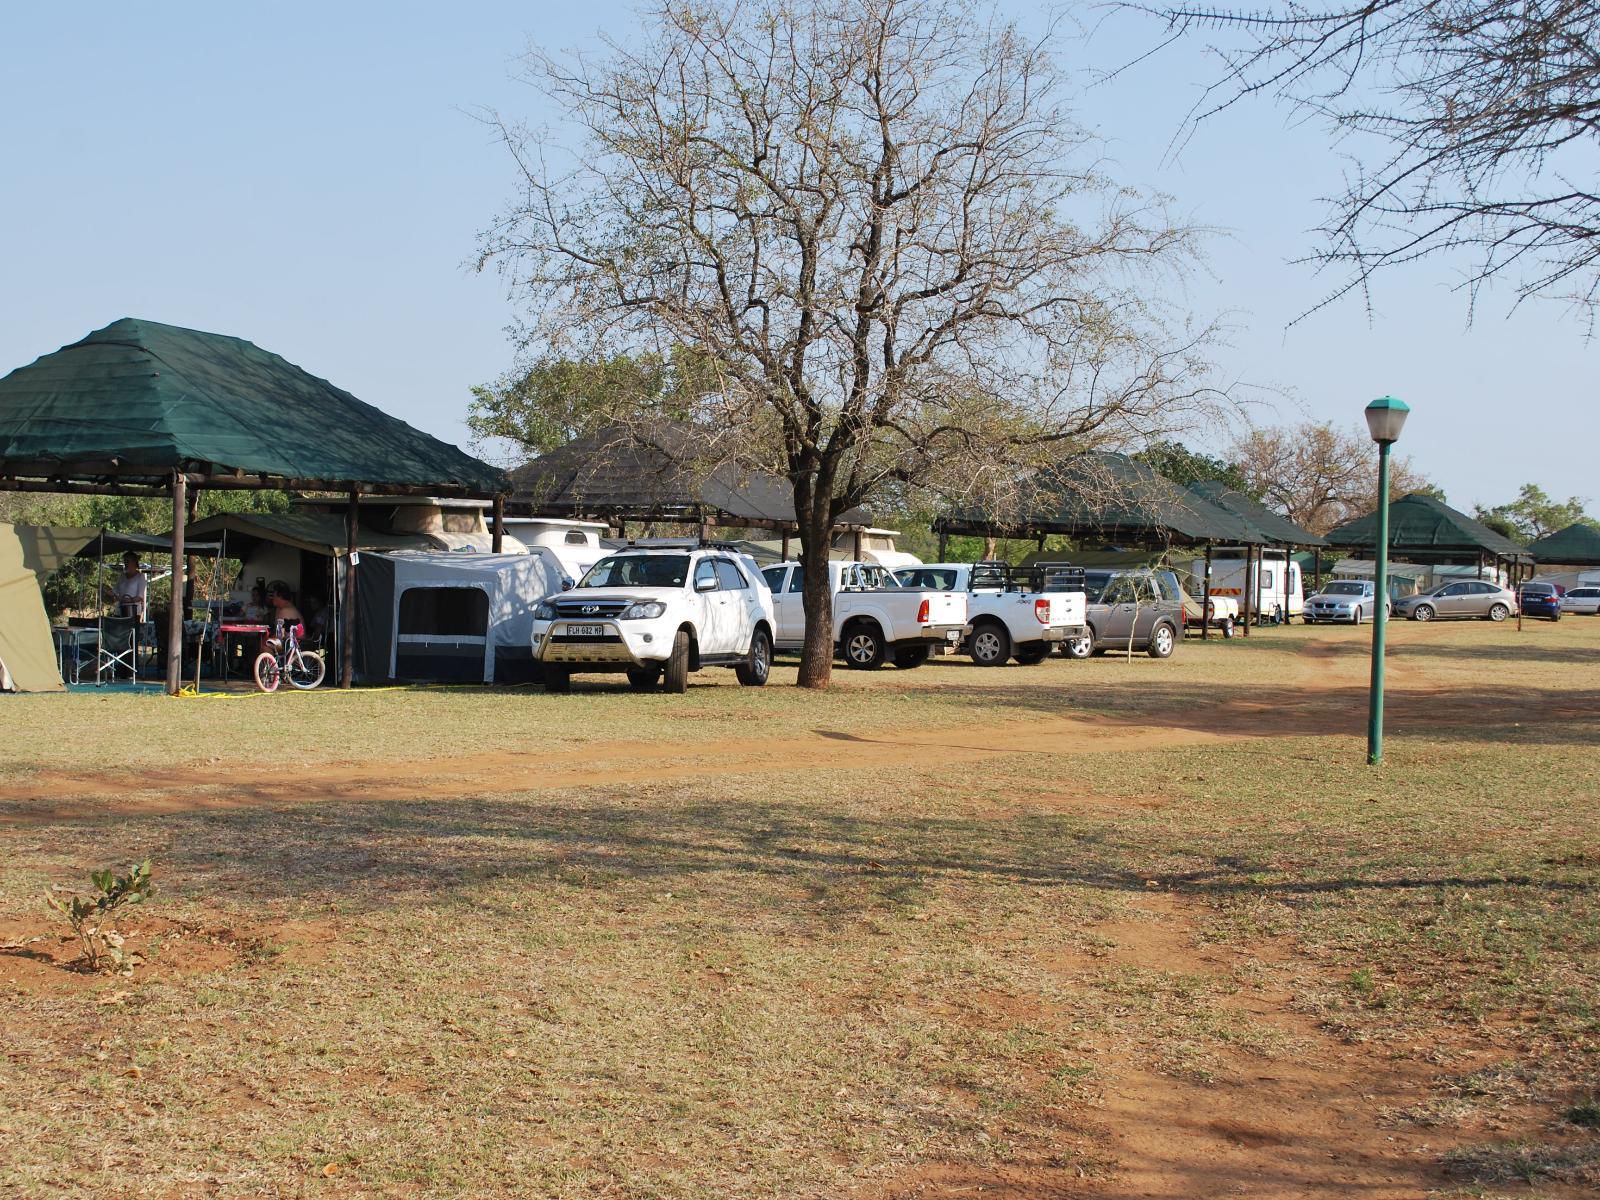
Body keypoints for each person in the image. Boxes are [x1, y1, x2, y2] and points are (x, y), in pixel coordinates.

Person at [104, 552, 147, 620]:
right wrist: (104, 589)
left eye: (127, 561)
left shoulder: (140, 577)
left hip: (133, 611)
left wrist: (125, 600)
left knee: (131, 630)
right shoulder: (122, 576)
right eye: (125, 561)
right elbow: (114, 592)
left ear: (134, 562)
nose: (125, 564)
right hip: (120, 610)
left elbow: (140, 597)